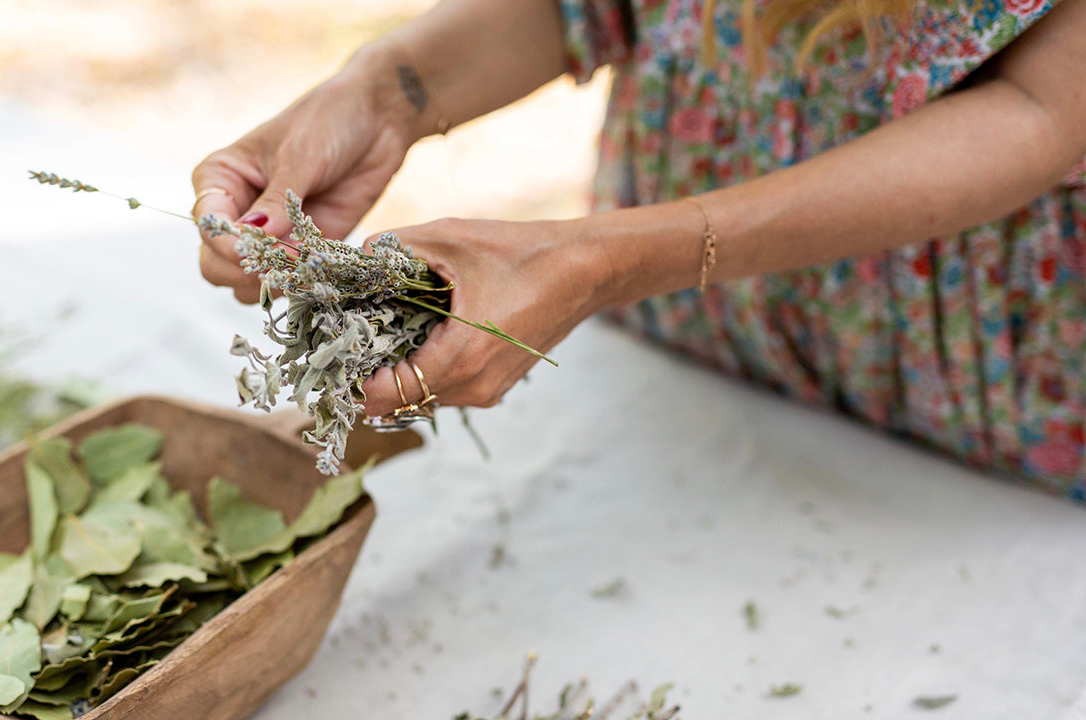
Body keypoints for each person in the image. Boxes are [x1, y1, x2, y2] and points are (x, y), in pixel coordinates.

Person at [191, 0, 1086, 497]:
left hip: (977, 378)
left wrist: (605, 259)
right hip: (693, 333)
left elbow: (1043, 108)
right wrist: (384, 94)